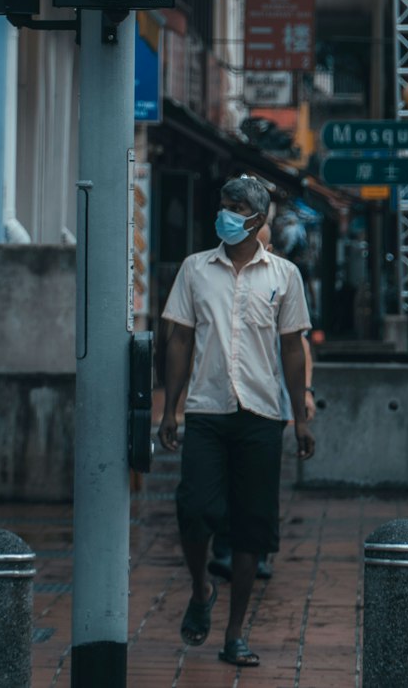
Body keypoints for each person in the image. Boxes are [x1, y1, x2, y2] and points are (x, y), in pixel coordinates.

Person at [159, 175, 314, 669]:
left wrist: (300, 413)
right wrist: (171, 408)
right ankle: (202, 589)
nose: (224, 214)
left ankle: (233, 634)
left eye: (233, 207)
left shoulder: (284, 275)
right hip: (206, 412)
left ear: (256, 218)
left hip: (263, 416)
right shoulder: (195, 270)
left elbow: (292, 347)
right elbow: (178, 340)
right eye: (222, 205)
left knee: (251, 530)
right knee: (194, 511)